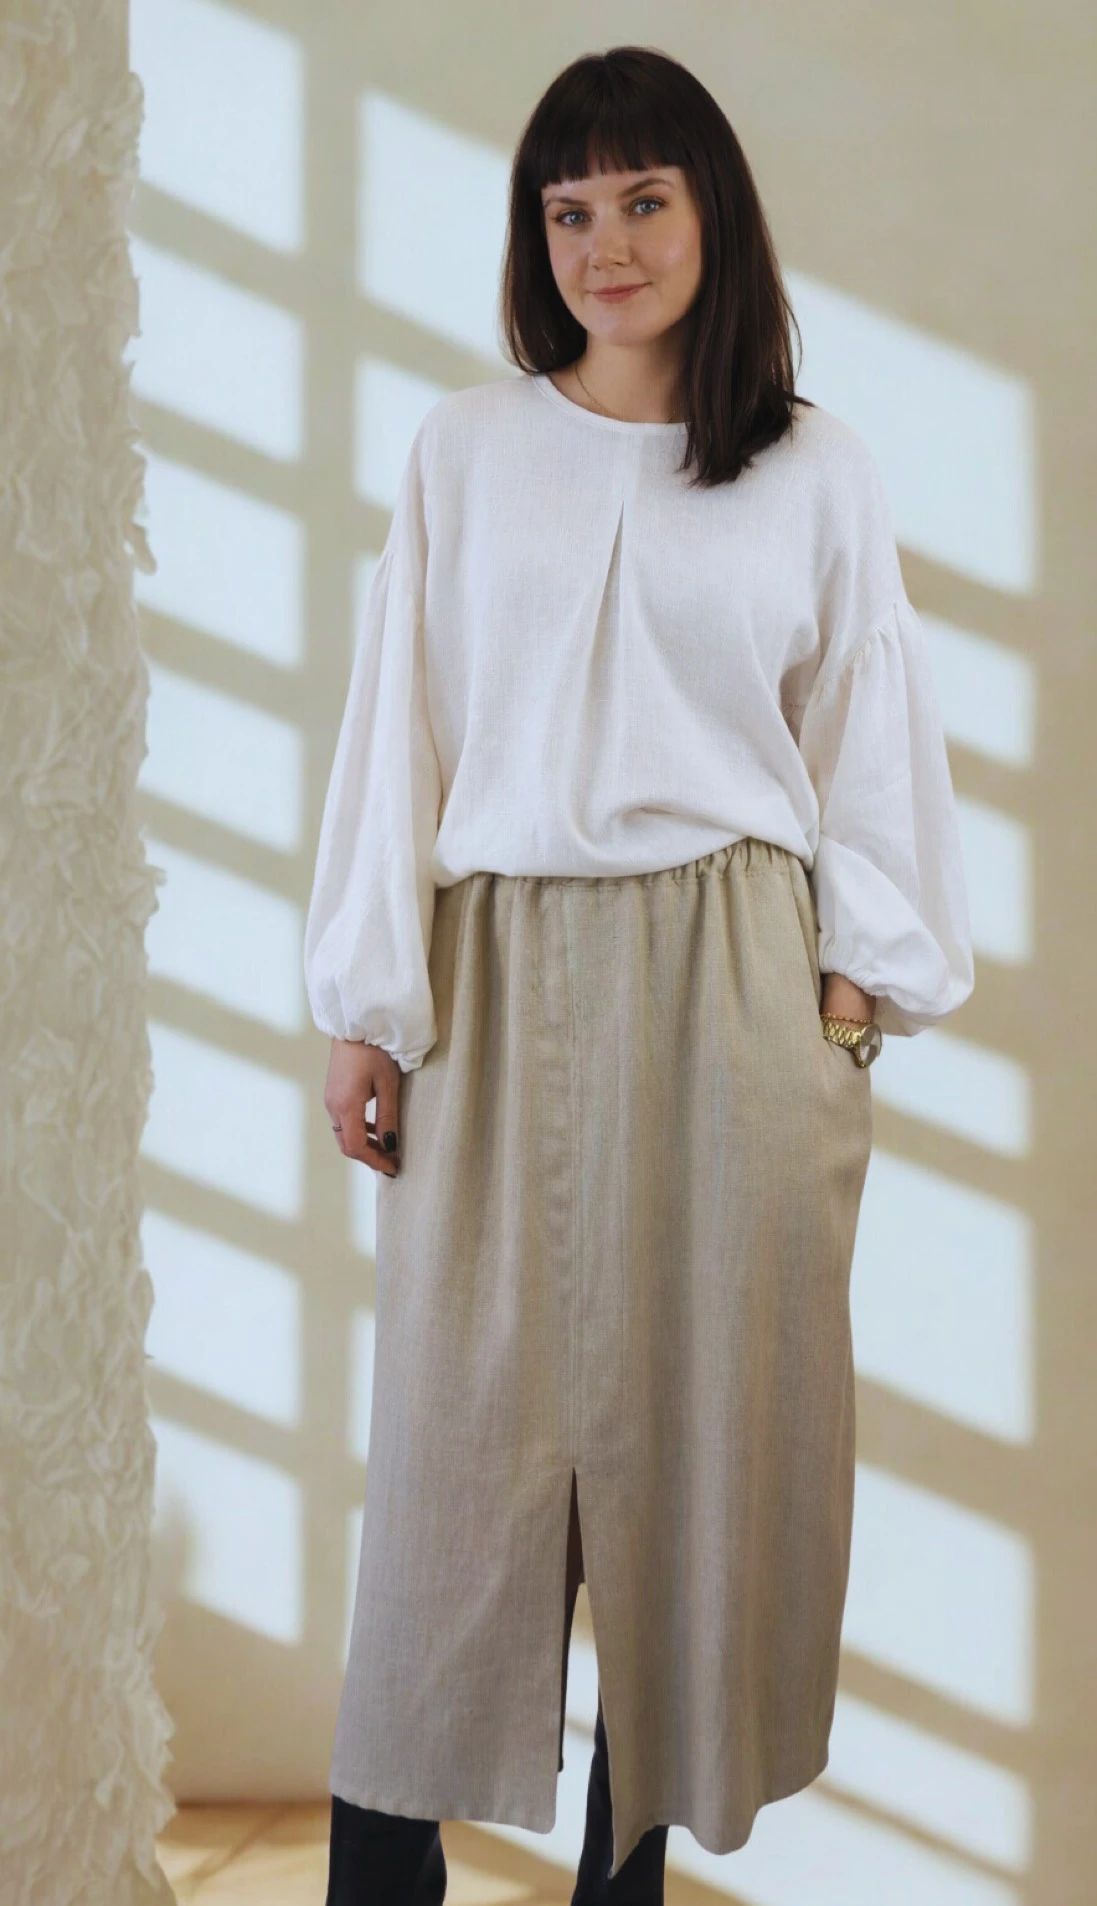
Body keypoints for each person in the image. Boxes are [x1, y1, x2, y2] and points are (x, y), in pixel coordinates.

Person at [305, 43, 974, 1906]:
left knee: (701, 1473)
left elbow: (868, 742)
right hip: (497, 979)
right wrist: (366, 1004)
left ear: (711, 213)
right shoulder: (466, 449)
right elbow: (401, 728)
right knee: (455, 1478)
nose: (606, 243)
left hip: (735, 990)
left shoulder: (811, 468)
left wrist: (844, 1010)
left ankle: (628, 1883)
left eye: (643, 200)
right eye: (569, 209)